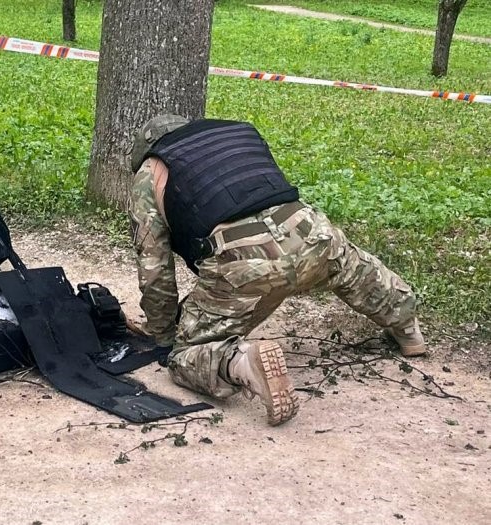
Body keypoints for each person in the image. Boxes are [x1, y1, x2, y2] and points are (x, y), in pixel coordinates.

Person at [127, 115, 425, 426]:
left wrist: (163, 334)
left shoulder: (150, 171)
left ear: (146, 150)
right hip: (310, 233)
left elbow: (154, 266)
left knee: (182, 356)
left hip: (243, 266)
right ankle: (406, 325)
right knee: (349, 266)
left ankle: (241, 362)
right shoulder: (234, 133)